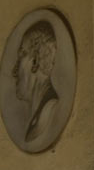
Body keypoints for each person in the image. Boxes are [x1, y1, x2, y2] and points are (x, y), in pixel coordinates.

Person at [11, 18, 63, 148]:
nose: (14, 71)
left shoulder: (49, 109)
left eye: (21, 56)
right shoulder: (36, 117)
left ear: (35, 62)